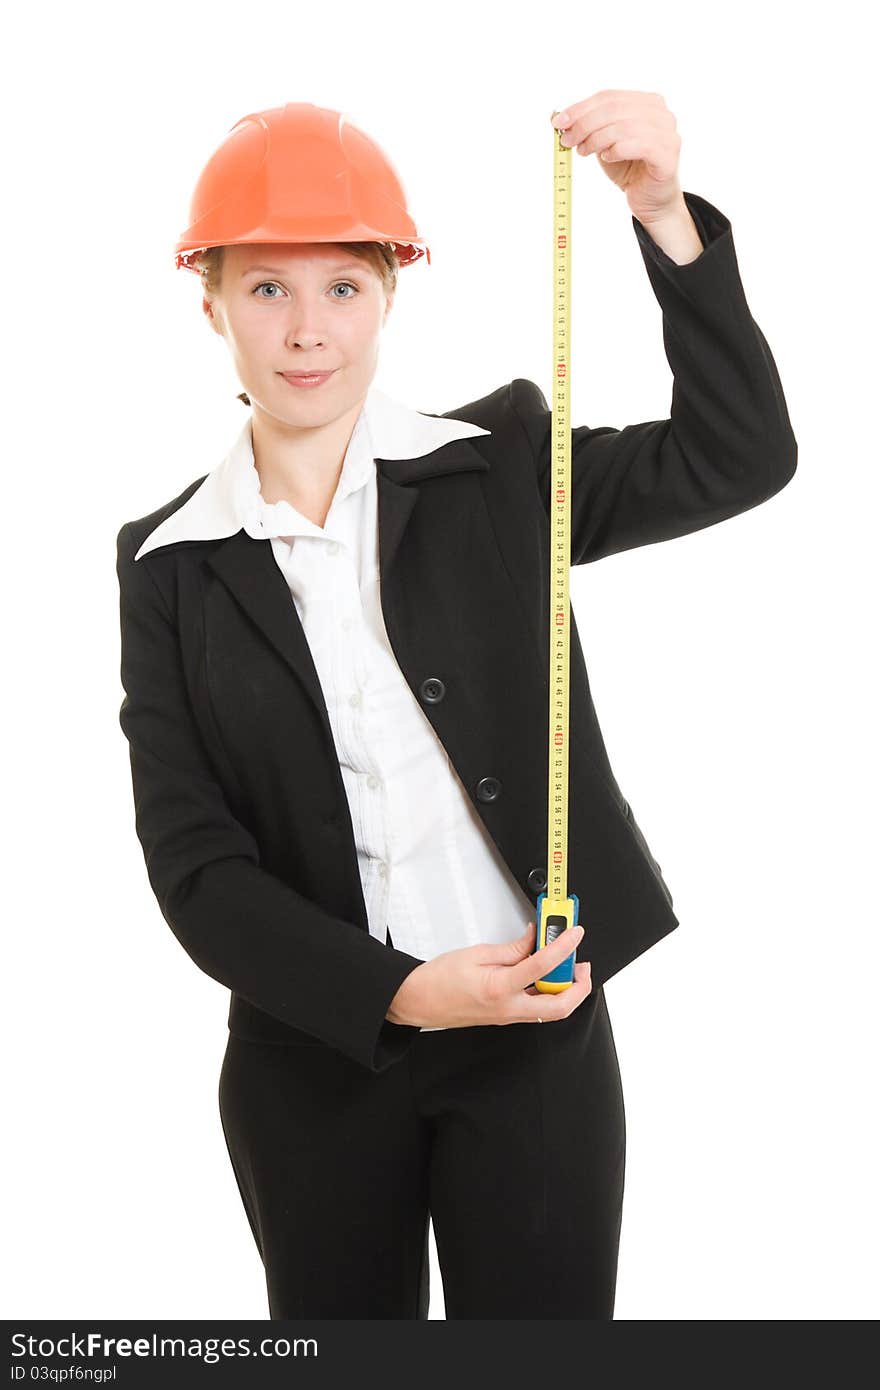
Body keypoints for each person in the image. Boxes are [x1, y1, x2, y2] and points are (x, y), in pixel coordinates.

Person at [115, 98, 797, 1319]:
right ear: (208, 301)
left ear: (390, 294)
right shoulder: (167, 561)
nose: (306, 331)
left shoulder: (500, 469)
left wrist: (659, 212)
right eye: (265, 288)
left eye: (343, 287)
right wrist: (400, 992)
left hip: (537, 1044)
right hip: (309, 1065)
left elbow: (738, 454)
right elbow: (194, 866)